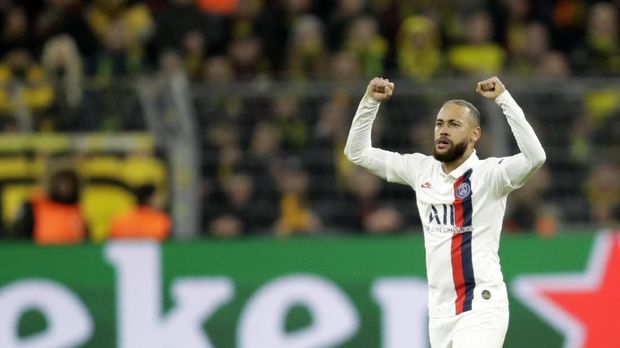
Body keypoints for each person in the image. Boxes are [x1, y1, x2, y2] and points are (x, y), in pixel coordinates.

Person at [344, 76, 545, 348]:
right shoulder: (420, 169)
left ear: (475, 134)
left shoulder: (490, 175)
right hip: (439, 311)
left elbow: (535, 157)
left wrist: (504, 100)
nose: (443, 131)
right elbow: (357, 152)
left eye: (454, 124)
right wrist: (369, 102)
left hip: (481, 305)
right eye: (439, 124)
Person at [12, 168, 87, 245]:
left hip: (72, 253)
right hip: (41, 253)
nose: (65, 188)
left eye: (69, 183)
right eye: (61, 183)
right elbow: (19, 235)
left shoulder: (78, 209)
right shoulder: (35, 206)